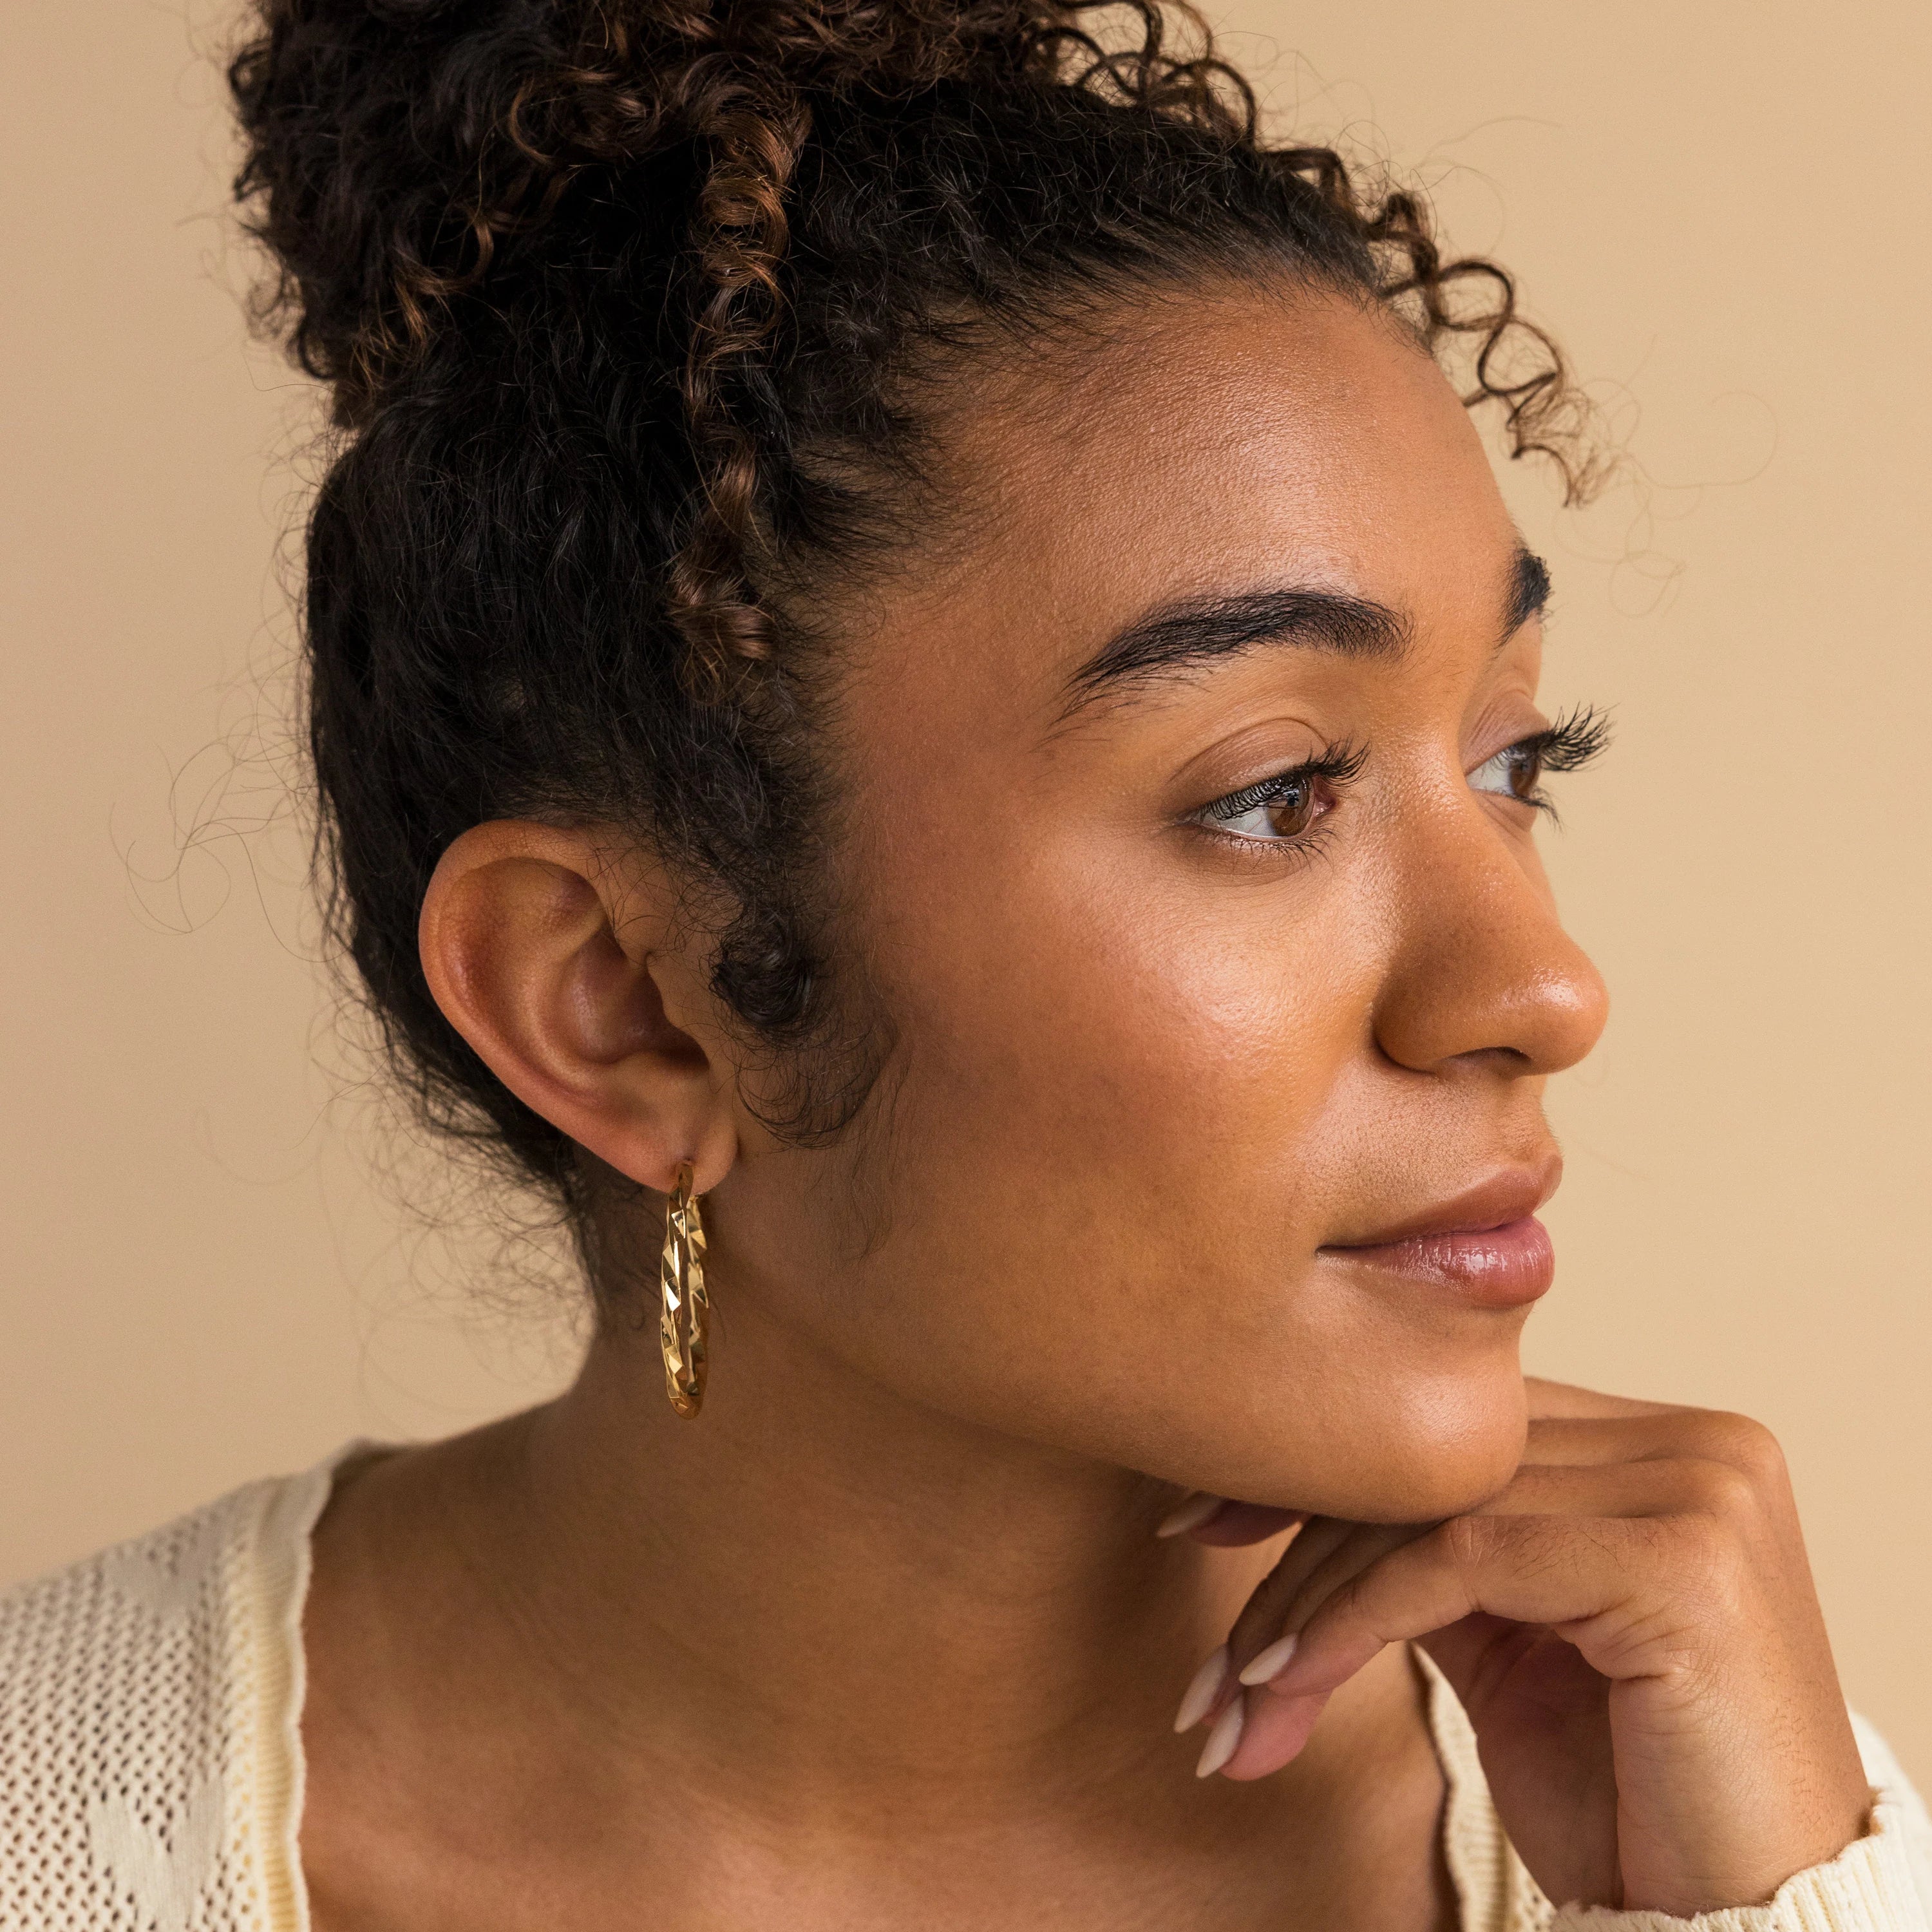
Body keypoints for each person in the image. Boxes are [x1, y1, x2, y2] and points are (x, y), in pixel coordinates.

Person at [3, 1, 1927, 1927]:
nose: (1542, 990)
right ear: (625, 1005)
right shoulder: (55, 1831)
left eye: (1518, 761)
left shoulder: (1709, 1802)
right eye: (1275, 794)